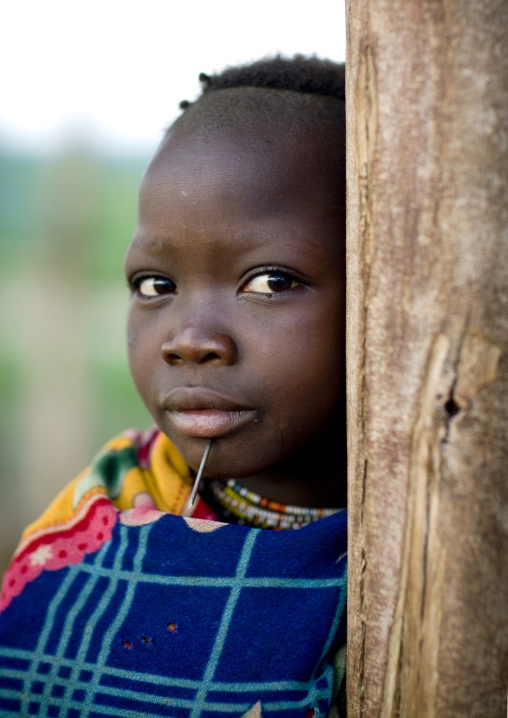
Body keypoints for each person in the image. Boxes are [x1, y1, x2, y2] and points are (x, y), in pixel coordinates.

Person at [0, 55, 347, 717]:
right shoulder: (96, 532)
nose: (188, 339)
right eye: (155, 286)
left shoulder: (454, 539)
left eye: (270, 282)